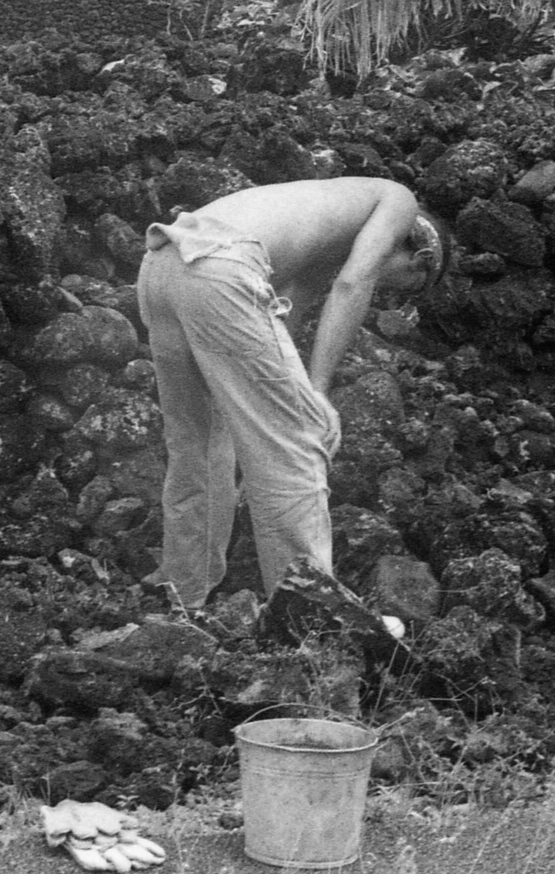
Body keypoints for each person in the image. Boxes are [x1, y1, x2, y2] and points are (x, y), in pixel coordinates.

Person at [138, 177, 449, 608]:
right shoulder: (399, 201)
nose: (388, 292)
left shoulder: (329, 226)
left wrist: (294, 387)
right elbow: (352, 285)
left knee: (199, 440)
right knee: (296, 446)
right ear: (422, 257)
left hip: (162, 264)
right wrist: (315, 392)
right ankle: (307, 617)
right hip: (222, 267)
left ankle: (184, 592)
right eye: (406, 285)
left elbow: (286, 311)